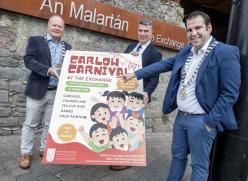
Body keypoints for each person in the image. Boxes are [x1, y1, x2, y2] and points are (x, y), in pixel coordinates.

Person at [121, 11, 241, 180]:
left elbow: (230, 93)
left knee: (198, 166)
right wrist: (135, 74)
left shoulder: (225, 52)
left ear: (209, 28)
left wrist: (210, 122)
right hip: (181, 118)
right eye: (189, 30)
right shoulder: (186, 52)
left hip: (202, 121)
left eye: (198, 28)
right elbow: (163, 65)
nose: (193, 33)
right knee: (177, 158)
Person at [19, 15, 72, 169]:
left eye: (60, 26)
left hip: (56, 92)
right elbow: (28, 60)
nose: (56, 28)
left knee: (49, 124)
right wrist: (48, 70)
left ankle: (44, 149)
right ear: (48, 26)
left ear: (63, 29)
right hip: (37, 90)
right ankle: (25, 152)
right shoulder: (36, 40)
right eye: (54, 25)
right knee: (30, 123)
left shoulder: (67, 47)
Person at [110, 18, 162, 171]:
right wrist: (130, 58)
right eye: (140, 30)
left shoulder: (155, 53)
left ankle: (130, 159)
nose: (143, 34)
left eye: (146, 31)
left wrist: (148, 92)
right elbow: (122, 68)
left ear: (151, 33)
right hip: (124, 93)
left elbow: (154, 77)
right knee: (121, 124)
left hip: (138, 96)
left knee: (133, 127)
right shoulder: (130, 47)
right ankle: (119, 155)